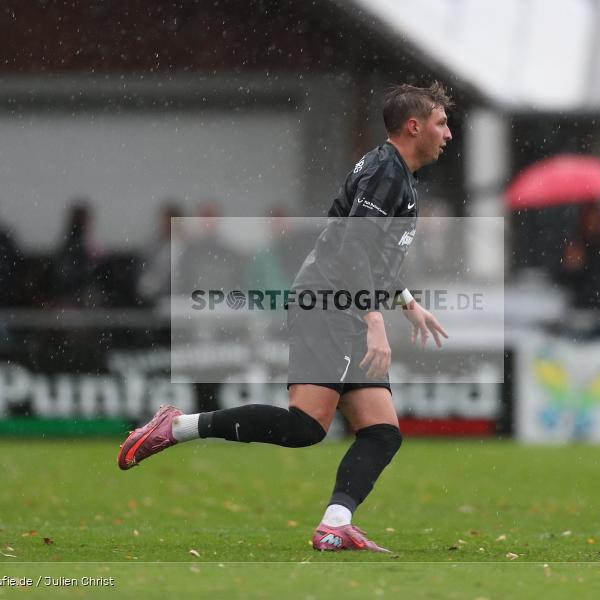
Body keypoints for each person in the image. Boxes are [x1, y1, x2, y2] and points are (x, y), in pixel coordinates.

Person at [118, 82, 454, 553]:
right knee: (305, 427)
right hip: (332, 305)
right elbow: (355, 246)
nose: (449, 133)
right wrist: (374, 318)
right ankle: (175, 427)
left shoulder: (394, 172)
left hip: (341, 303)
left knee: (381, 433)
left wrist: (405, 300)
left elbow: (364, 248)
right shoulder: (386, 173)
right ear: (414, 126)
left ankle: (335, 524)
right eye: (441, 123)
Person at [552, 204, 600, 338]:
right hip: (581, 317)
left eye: (596, 220)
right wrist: (570, 267)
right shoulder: (575, 247)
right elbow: (561, 279)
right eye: (589, 220)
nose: (593, 225)